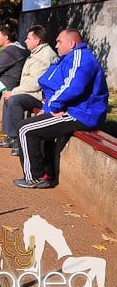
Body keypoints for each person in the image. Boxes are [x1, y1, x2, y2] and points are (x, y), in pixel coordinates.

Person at [13, 29, 109, 189]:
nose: (56, 45)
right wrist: (48, 108)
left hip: (82, 114)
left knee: (25, 129)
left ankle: (34, 178)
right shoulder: (66, 59)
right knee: (34, 127)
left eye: (59, 42)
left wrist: (54, 106)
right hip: (70, 109)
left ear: (71, 44)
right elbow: (51, 84)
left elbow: (73, 87)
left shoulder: (81, 58)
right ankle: (46, 173)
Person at [0, 25, 57, 155]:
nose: (25, 41)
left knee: (14, 100)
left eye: (28, 38)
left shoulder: (44, 56)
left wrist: (14, 91)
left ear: (37, 40)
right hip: (32, 92)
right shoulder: (37, 52)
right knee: (9, 98)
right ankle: (12, 137)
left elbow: (35, 83)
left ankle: (20, 140)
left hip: (40, 96)